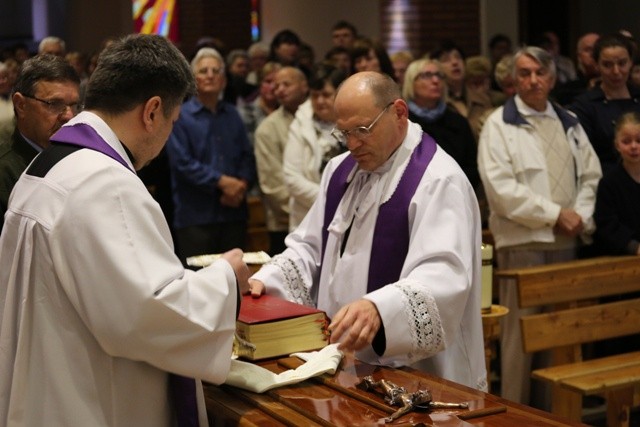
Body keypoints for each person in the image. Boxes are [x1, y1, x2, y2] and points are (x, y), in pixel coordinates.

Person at [0, 34, 250, 426]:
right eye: (172, 120)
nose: (168, 134)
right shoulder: (105, 184)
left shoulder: (45, 166)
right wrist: (226, 279)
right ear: (152, 111)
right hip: (90, 402)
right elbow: (144, 315)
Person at [249, 71, 487, 391]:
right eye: (343, 132)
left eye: (362, 130)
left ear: (399, 112)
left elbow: (444, 275)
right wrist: (265, 279)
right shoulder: (340, 171)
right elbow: (309, 247)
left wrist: (381, 308)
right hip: (343, 360)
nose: (352, 144)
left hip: (419, 373)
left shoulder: (438, 180)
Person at [478, 46, 602, 407]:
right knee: (521, 340)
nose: (534, 80)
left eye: (540, 73)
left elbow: (591, 175)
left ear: (552, 78)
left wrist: (579, 214)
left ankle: (555, 415)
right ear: (513, 80)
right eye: (525, 73)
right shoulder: (499, 125)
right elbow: (501, 190)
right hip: (524, 246)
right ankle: (516, 413)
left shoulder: (569, 121)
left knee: (560, 338)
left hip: (566, 245)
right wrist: (554, 214)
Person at [166, 47, 256, 263]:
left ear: (224, 80)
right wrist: (222, 183)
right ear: (193, 79)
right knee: (200, 283)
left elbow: (247, 155)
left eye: (216, 71)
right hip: (196, 216)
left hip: (233, 212)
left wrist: (240, 185)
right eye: (204, 70)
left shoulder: (233, 114)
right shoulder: (180, 116)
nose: (210, 75)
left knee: (236, 283)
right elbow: (182, 163)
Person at [0, 54, 80, 234]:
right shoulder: (4, 171)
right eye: (54, 103)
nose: (69, 116)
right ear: (20, 105)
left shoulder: (80, 156)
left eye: (74, 105)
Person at [283, 63, 348, 230]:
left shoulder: (352, 124)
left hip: (350, 214)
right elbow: (292, 178)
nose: (320, 101)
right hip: (308, 216)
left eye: (326, 95)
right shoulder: (300, 124)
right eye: (314, 96)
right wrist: (329, 198)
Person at [401, 58, 480, 191]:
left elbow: (472, 169)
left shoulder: (458, 122)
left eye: (439, 75)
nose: (436, 81)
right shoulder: (402, 122)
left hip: (454, 194)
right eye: (426, 75)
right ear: (411, 83)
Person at [254, 66, 308, 255]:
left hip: (324, 218)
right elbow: (273, 184)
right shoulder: (268, 128)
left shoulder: (320, 119)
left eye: (287, 84)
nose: (280, 90)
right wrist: (310, 214)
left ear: (304, 86)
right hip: (284, 223)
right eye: (277, 86)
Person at [570, 33, 640, 174]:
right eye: (607, 65)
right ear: (597, 65)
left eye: (622, 63)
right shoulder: (585, 105)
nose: (616, 71)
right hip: (604, 182)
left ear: (631, 63)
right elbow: (583, 157)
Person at [593, 111, 640, 256]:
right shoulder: (609, 183)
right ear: (617, 145)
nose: (633, 146)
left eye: (639, 140)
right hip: (623, 258)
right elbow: (606, 225)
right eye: (626, 141)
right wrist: (634, 246)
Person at [552, 32, 600, 106]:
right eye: (588, 50)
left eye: (597, 49)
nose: (593, 54)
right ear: (579, 56)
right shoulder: (567, 90)